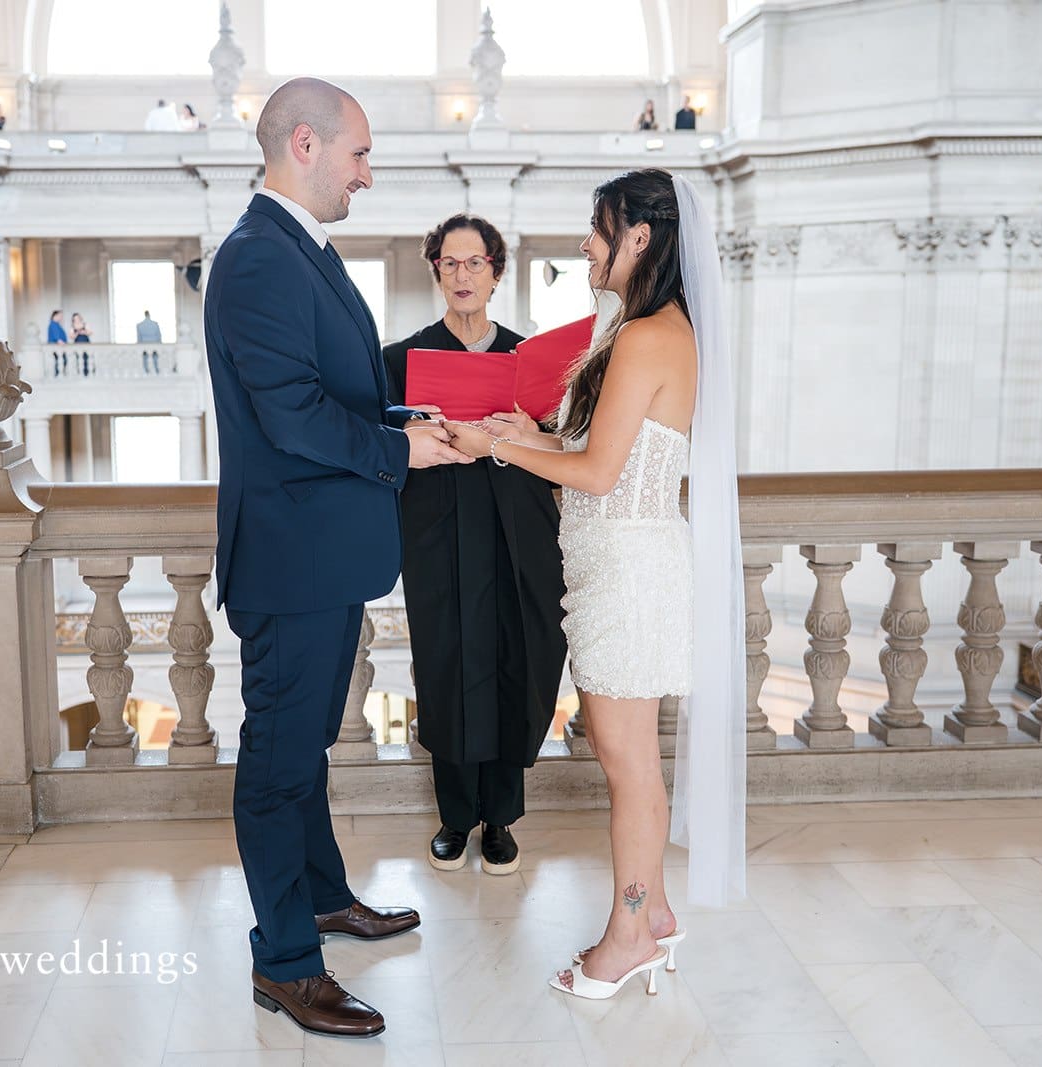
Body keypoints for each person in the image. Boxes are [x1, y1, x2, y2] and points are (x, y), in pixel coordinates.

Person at [204, 76, 471, 1039]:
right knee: (278, 762)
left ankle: (320, 897)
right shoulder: (258, 259)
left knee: (307, 742)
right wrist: (400, 448)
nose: (369, 173)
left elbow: (338, 392)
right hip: (291, 561)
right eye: (359, 153)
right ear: (304, 145)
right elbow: (292, 415)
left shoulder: (297, 250)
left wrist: (408, 419)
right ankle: (283, 961)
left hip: (322, 556)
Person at [444, 168, 745, 1001]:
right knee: (630, 755)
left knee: (627, 762)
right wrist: (530, 432)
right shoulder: (651, 328)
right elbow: (600, 447)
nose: (587, 243)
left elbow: (602, 472)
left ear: (640, 238)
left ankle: (631, 931)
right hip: (616, 561)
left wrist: (495, 448)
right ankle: (656, 914)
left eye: (599, 227)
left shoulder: (650, 335)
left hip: (628, 568)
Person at [381, 215, 567, 878]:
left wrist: (525, 428)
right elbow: (382, 451)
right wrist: (415, 434)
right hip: (437, 533)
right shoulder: (400, 361)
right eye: (450, 263)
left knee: (518, 660)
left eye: (475, 262)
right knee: (448, 667)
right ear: (436, 270)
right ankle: (456, 816)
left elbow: (566, 448)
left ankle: (501, 817)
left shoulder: (533, 360)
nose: (463, 275)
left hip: (517, 533)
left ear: (496, 271)